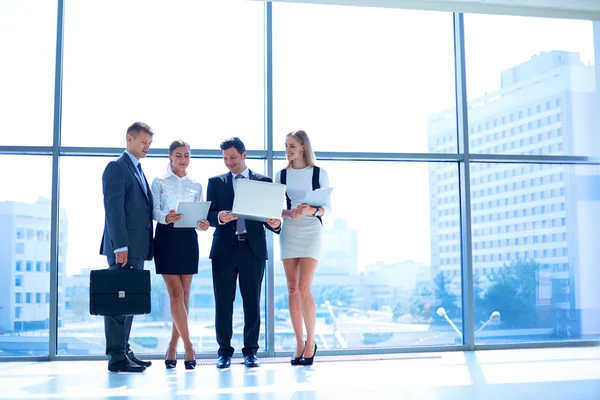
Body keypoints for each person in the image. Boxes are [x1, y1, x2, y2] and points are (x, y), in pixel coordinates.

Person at [206, 137, 282, 368]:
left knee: (252, 303)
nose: (229, 162)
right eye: (225, 158)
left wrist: (276, 224)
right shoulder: (216, 182)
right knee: (223, 303)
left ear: (244, 155)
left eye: (233, 157)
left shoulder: (264, 181)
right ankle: (224, 352)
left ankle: (250, 352)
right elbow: (208, 215)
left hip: (253, 249)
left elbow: (271, 219)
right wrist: (220, 217)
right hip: (224, 250)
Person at [99, 122, 155, 373]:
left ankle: (124, 351)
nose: (147, 147)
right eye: (143, 142)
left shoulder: (138, 170)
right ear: (129, 139)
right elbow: (113, 209)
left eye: (149, 144)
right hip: (124, 247)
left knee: (129, 302)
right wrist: (119, 244)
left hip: (136, 247)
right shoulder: (117, 168)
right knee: (118, 305)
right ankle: (116, 358)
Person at [150, 140, 210, 370]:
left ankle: (172, 347)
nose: (183, 159)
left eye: (186, 155)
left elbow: (197, 216)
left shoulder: (196, 184)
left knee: (185, 296)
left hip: (188, 238)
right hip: (165, 236)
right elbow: (154, 210)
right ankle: (189, 347)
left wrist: (202, 224)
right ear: (170, 157)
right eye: (178, 155)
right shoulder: (159, 182)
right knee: (175, 294)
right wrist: (166, 217)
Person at [274, 130, 331, 366]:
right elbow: (276, 207)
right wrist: (289, 212)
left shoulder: (319, 173)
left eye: (292, 145)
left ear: (303, 147)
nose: (288, 150)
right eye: (286, 146)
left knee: (304, 286)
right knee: (292, 287)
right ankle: (299, 341)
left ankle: (311, 341)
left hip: (311, 230)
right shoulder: (281, 174)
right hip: (289, 229)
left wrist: (308, 210)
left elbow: (326, 208)